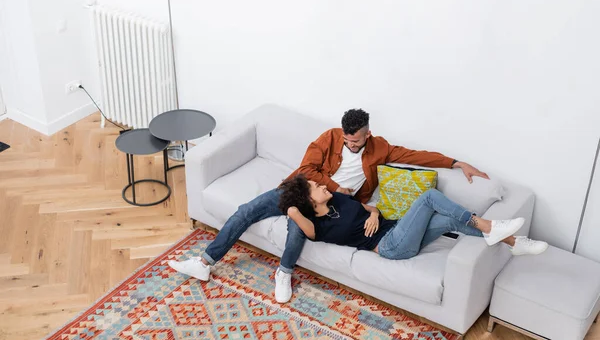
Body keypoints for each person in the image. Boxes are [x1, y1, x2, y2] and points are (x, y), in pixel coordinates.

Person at [169, 108, 492, 303]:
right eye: (348, 140)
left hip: (333, 204)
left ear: (368, 134)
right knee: (245, 212)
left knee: (299, 229)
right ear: (343, 132)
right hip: (301, 189)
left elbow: (414, 156)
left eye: (357, 141)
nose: (352, 144)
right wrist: (337, 187)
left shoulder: (379, 147)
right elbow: (308, 171)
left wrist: (454, 162)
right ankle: (206, 261)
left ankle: (283, 273)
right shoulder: (328, 138)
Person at [279, 175, 548, 259]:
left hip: (398, 231)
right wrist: (292, 207)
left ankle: (513, 242)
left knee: (451, 221)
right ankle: (490, 226)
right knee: (429, 198)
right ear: (308, 201)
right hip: (390, 247)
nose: (323, 185)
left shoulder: (338, 197)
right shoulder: (318, 225)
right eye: (316, 187)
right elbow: (303, 224)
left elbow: (370, 210)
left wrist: (374, 214)